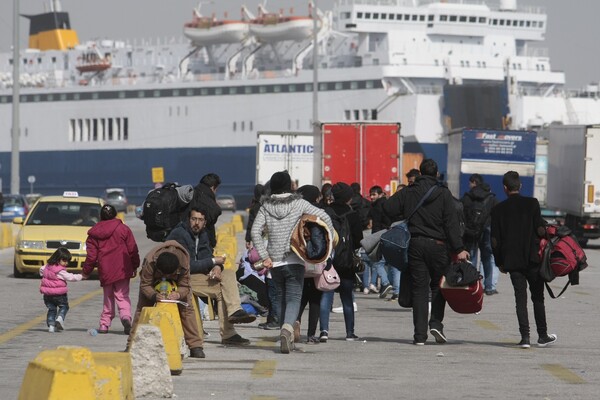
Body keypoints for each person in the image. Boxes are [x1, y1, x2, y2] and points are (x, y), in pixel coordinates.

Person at [384, 159, 469, 345]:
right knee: (438, 286)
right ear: (437, 174)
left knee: (419, 290)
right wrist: (459, 248)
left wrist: (404, 214)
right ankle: (436, 324)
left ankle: (419, 336)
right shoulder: (443, 194)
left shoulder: (409, 190)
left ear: (420, 173)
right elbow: (451, 223)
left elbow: (388, 207)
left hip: (415, 245)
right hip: (439, 246)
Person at [251, 171, 334, 353]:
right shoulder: (299, 203)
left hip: (274, 262)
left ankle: (285, 331)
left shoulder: (265, 206)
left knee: (280, 298)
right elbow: (324, 217)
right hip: (295, 258)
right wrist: (327, 240)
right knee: (294, 297)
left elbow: (255, 231)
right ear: (289, 185)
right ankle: (288, 327)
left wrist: (265, 256)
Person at [167, 207, 256, 346]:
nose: (197, 223)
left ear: (205, 222)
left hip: (197, 276)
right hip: (181, 278)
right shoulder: (179, 235)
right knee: (223, 290)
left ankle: (234, 312)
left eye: (200, 220)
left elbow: (208, 257)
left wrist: (216, 267)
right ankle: (229, 333)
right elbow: (186, 266)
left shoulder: (202, 235)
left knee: (228, 273)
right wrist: (213, 262)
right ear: (188, 219)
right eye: (194, 219)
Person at [491, 171, 556, 348]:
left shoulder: (498, 210)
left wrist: (500, 262)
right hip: (532, 259)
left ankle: (525, 337)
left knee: (520, 298)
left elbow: (494, 240)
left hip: (512, 262)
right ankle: (542, 335)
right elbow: (541, 230)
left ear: (505, 188)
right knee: (538, 298)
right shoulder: (532, 204)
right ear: (520, 186)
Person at [128, 240, 205, 358]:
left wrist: (178, 294)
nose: (165, 278)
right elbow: (145, 285)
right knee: (142, 309)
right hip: (153, 283)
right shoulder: (150, 262)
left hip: (177, 284)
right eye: (163, 274)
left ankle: (195, 346)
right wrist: (154, 295)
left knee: (187, 309)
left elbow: (185, 286)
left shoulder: (183, 262)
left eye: (168, 276)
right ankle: (131, 344)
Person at [83, 204, 140, 334]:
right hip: (122, 268)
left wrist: (86, 272)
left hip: (106, 269)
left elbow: (91, 257)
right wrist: (135, 265)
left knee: (108, 297)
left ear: (100, 216)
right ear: (116, 215)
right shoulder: (123, 229)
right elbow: (132, 249)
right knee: (122, 295)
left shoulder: (94, 234)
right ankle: (125, 317)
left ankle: (104, 324)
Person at [320, 182, 364, 342]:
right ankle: (350, 333)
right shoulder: (352, 215)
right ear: (348, 197)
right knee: (347, 297)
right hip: (346, 261)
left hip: (328, 260)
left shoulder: (326, 213)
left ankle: (324, 331)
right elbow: (359, 240)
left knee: (326, 295)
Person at [295, 184, 326, 344]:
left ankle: (295, 322)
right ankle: (311, 335)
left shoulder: (296, 213)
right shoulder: (318, 214)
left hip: (298, 261)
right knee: (315, 299)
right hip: (315, 261)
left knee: (298, 297)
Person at [461, 173, 500, 295]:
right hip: (486, 230)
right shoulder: (491, 198)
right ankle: (488, 287)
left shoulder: (468, 197)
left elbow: (461, 213)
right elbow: (497, 216)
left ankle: (472, 284)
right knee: (487, 259)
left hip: (471, 231)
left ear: (474, 183)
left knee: (471, 257)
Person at [40, 247, 83, 333]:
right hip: (59, 295)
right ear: (57, 259)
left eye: (67, 261)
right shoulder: (60, 271)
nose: (66, 263)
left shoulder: (46, 267)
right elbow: (70, 277)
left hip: (47, 295)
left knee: (52, 309)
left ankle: (51, 326)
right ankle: (60, 318)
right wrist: (81, 276)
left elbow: (41, 270)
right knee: (64, 307)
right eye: (64, 260)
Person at [187, 173, 223, 248]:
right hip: (202, 244)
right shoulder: (209, 203)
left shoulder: (191, 194)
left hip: (185, 239)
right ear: (213, 187)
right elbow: (216, 212)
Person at [245, 184, 264, 249]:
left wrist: (248, 239)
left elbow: (250, 224)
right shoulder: (268, 205)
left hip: (257, 238)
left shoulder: (254, 207)